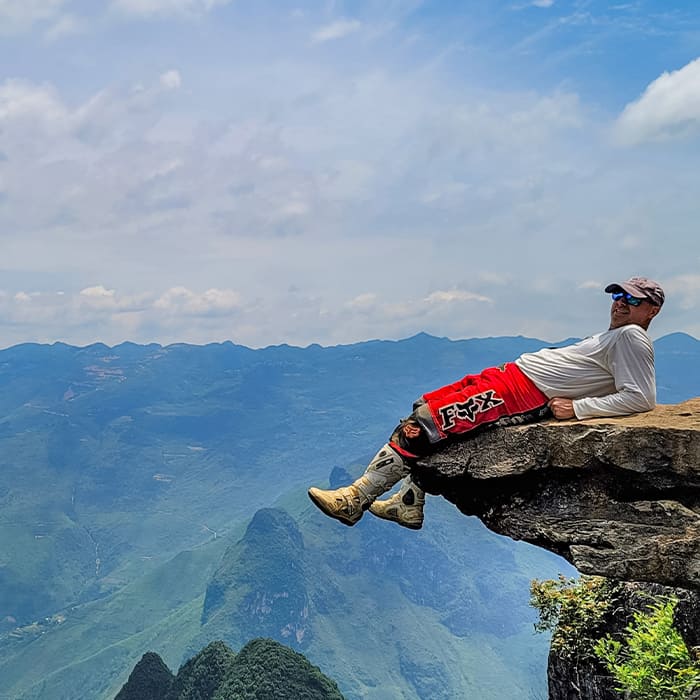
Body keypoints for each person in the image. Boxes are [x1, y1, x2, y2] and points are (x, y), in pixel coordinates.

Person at [308, 277, 665, 530]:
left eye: (632, 300)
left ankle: (355, 499)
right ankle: (408, 503)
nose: (620, 302)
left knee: (422, 427)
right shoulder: (618, 335)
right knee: (425, 407)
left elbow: (641, 397)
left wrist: (578, 409)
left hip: (522, 394)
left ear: (652, 310)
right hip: (510, 380)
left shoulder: (632, 336)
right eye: (617, 295)